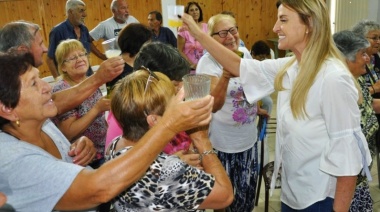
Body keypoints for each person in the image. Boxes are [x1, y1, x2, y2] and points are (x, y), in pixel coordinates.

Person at [180, 0, 372, 211]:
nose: (275, 28)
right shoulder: (292, 66)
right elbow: (238, 65)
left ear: (308, 23)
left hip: (319, 199)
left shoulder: (333, 78)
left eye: (283, 20)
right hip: (292, 194)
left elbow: (347, 157)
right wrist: (198, 34)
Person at [0, 52, 214, 212]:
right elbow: (98, 188)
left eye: (40, 78)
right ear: (7, 108)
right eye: (33, 83)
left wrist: (80, 142)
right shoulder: (12, 159)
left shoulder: (40, 123)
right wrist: (169, 125)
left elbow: (59, 168)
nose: (47, 87)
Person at [105, 69, 233, 211]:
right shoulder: (166, 172)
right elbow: (225, 196)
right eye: (174, 102)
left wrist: (173, 162)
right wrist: (201, 140)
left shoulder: (116, 144)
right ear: (154, 119)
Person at [195, 14, 267, 212]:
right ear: (211, 38)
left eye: (233, 30)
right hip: (221, 145)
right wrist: (226, 74)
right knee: (224, 201)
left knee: (246, 198)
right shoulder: (207, 63)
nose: (230, 36)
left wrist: (257, 107)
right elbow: (214, 105)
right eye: (223, 33)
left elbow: (252, 88)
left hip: (248, 141)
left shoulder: (244, 52)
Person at [106, 41, 191, 148]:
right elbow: (130, 159)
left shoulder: (159, 105)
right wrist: (174, 160)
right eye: (175, 85)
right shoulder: (129, 115)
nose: (181, 90)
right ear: (152, 85)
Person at [333, 29, 379, 212]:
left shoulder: (356, 81)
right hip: (346, 181)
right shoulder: (340, 87)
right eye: (363, 54)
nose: (368, 59)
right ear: (346, 58)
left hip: (358, 180)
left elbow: (369, 106)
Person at [52, 39, 109, 169]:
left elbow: (101, 121)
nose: (79, 59)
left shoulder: (90, 82)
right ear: (63, 67)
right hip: (84, 159)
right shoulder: (63, 89)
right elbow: (68, 133)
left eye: (82, 54)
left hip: (102, 150)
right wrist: (97, 108)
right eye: (72, 58)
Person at [46, 0, 93, 78]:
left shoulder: (84, 29)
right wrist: (59, 81)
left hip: (87, 77)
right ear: (71, 12)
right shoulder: (58, 31)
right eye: (81, 11)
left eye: (84, 11)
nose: (85, 14)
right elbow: (49, 59)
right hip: (69, 82)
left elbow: (88, 51)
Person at [177, 1, 208, 70]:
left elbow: (211, 47)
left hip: (205, 66)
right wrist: (192, 65)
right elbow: (179, 51)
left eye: (196, 9)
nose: (195, 12)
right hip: (189, 68)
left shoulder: (206, 27)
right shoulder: (182, 29)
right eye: (191, 10)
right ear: (187, 14)